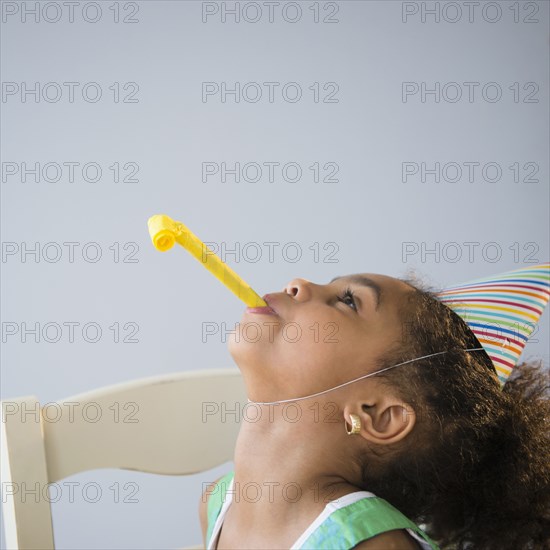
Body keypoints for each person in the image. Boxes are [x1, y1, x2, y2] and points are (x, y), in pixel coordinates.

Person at [199, 269, 550, 549]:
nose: (299, 283)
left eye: (348, 301)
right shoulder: (217, 504)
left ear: (377, 415)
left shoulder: (373, 546)